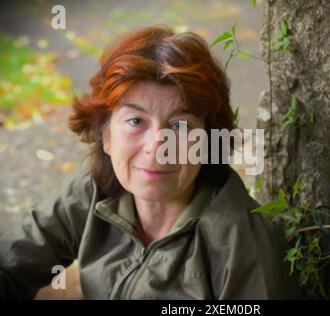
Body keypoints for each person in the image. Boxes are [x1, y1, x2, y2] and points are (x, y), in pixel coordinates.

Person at [0, 25, 296, 299]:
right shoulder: (91, 195)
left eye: (180, 126)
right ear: (106, 135)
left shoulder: (244, 246)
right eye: (135, 120)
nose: (157, 145)